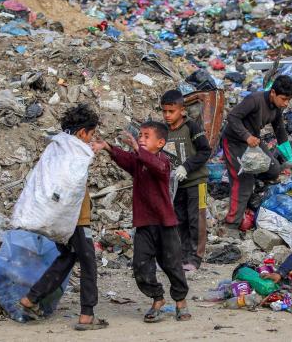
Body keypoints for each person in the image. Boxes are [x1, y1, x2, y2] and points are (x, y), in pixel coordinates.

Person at [19, 104, 108, 331]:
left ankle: (31, 298)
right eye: (91, 135)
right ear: (81, 133)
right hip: (76, 219)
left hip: (64, 218)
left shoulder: (58, 146)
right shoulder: (74, 150)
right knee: (88, 261)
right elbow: (71, 181)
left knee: (67, 258)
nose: (91, 140)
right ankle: (87, 314)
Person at [92, 122, 191, 323]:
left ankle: (180, 301)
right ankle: (157, 298)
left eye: (147, 136)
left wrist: (138, 150)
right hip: (145, 223)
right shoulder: (138, 161)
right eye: (140, 136)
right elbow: (126, 159)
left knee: (172, 264)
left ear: (160, 143)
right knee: (140, 265)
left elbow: (155, 166)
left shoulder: (164, 162)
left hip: (165, 223)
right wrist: (108, 147)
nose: (141, 139)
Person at [222, 75, 292, 231]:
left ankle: (254, 177)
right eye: (284, 99)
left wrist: (290, 156)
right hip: (234, 142)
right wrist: (246, 136)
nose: (286, 103)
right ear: (273, 93)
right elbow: (232, 117)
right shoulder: (254, 100)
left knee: (274, 169)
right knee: (243, 182)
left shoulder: (277, 107)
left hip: (253, 142)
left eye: (289, 100)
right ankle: (231, 224)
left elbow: (279, 129)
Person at [161, 89, 212, 271]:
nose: (167, 115)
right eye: (164, 111)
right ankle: (182, 256)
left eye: (171, 111)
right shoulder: (163, 131)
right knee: (179, 219)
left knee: (196, 220)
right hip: (176, 185)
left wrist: (186, 166)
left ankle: (196, 258)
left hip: (196, 182)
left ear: (182, 110)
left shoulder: (191, 127)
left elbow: (205, 151)